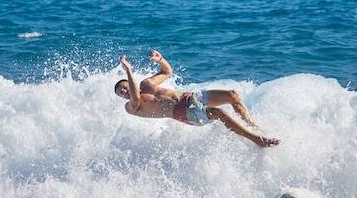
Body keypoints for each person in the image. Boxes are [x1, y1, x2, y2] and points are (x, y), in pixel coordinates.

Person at [115, 50, 279, 147]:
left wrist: (160, 59)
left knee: (233, 95)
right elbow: (135, 97)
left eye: (123, 87)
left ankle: (254, 127)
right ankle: (257, 140)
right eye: (120, 93)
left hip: (191, 97)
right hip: (184, 113)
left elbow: (166, 72)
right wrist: (129, 70)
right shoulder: (131, 107)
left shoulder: (146, 83)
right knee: (220, 113)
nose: (123, 91)